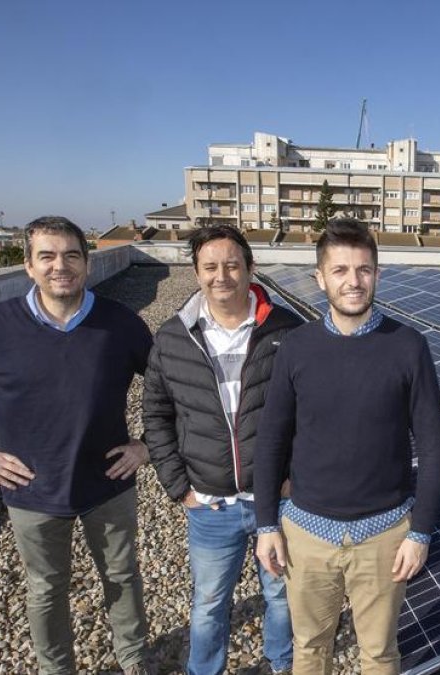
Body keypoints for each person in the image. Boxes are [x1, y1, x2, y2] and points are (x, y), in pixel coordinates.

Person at [0, 216, 152, 675]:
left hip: (110, 485)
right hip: (32, 492)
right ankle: (55, 668)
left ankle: (134, 658)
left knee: (122, 577)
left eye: (71, 255)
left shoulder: (121, 324)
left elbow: (171, 388)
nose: (60, 266)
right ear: (28, 266)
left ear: (86, 261)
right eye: (47, 256)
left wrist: (146, 446)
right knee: (46, 588)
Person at [252, 218, 440, 675]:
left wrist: (419, 533)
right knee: (310, 648)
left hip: (384, 537)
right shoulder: (296, 348)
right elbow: (272, 441)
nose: (353, 281)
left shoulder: (407, 346)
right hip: (306, 535)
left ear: (378, 274)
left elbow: (435, 447)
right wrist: (267, 524)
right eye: (340, 270)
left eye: (363, 269)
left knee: (379, 653)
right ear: (320, 278)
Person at [142, 225, 301, 675]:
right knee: (209, 602)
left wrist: (296, 475)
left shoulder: (287, 329)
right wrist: (178, 486)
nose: (222, 275)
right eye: (210, 266)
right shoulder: (173, 338)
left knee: (280, 595)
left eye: (232, 264)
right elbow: (155, 416)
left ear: (250, 268)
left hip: (277, 498)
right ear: (195, 272)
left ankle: (281, 664)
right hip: (210, 504)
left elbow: (312, 411)